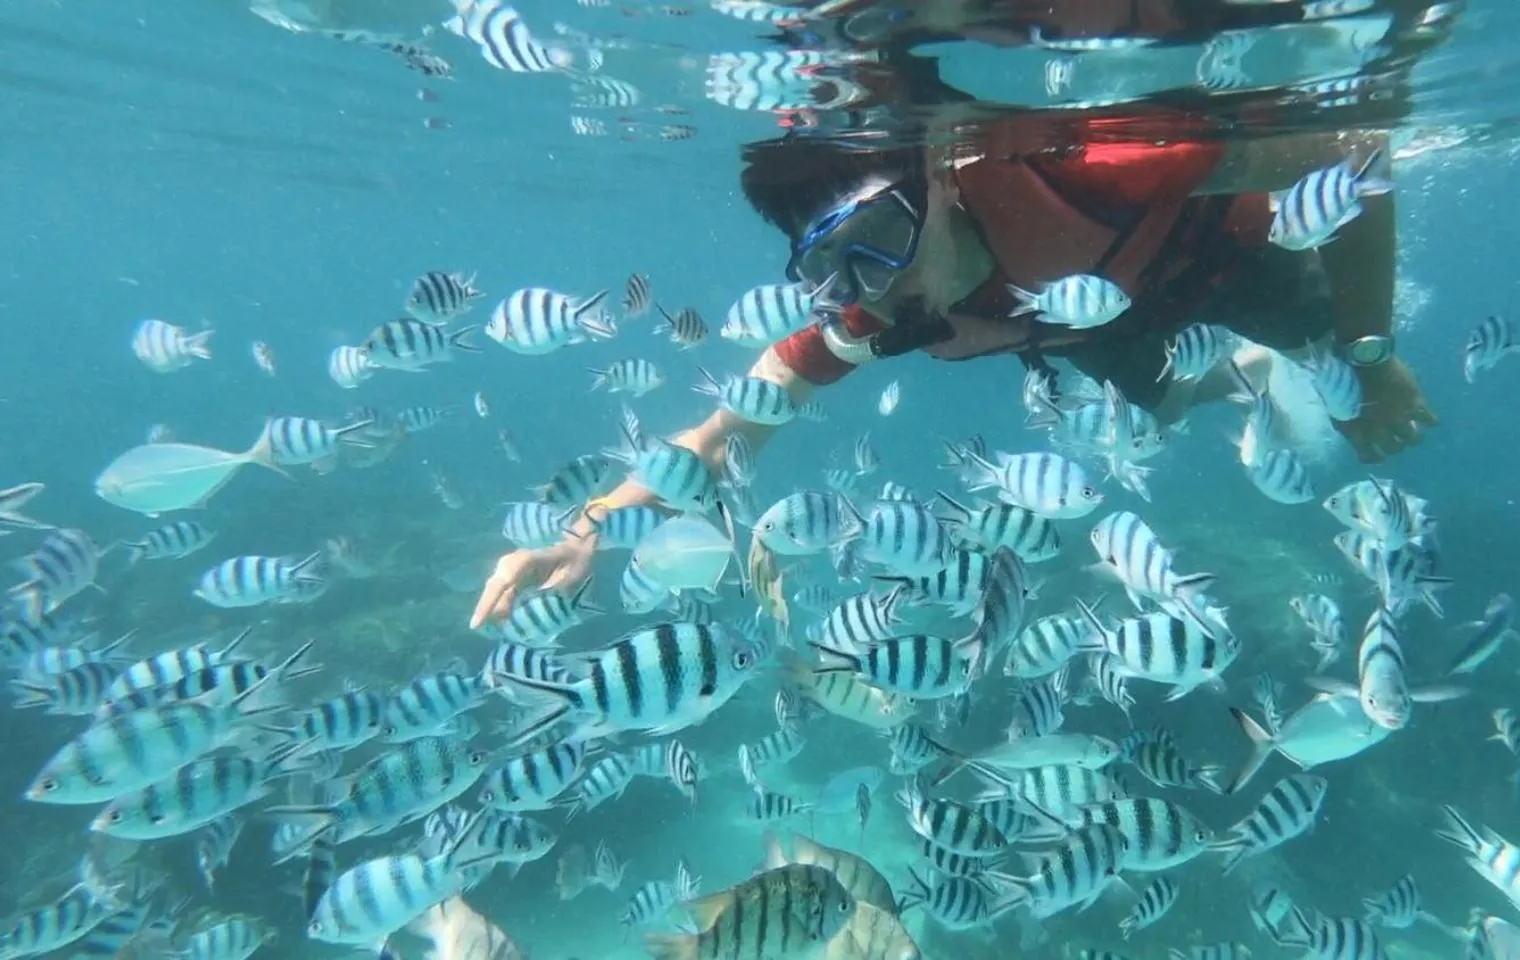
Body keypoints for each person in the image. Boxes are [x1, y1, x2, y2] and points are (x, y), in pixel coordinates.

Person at [470, 103, 1436, 627]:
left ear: (939, 175)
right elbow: (726, 433)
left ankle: (1297, 357)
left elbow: (1355, 143)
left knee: (1341, 374)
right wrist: (590, 527)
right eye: (830, 266)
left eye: (883, 237)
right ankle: (1241, 383)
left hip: (1230, 260)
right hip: (1094, 326)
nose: (872, 287)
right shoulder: (870, 314)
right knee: (1167, 410)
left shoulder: (1094, 169)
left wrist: (1370, 353)